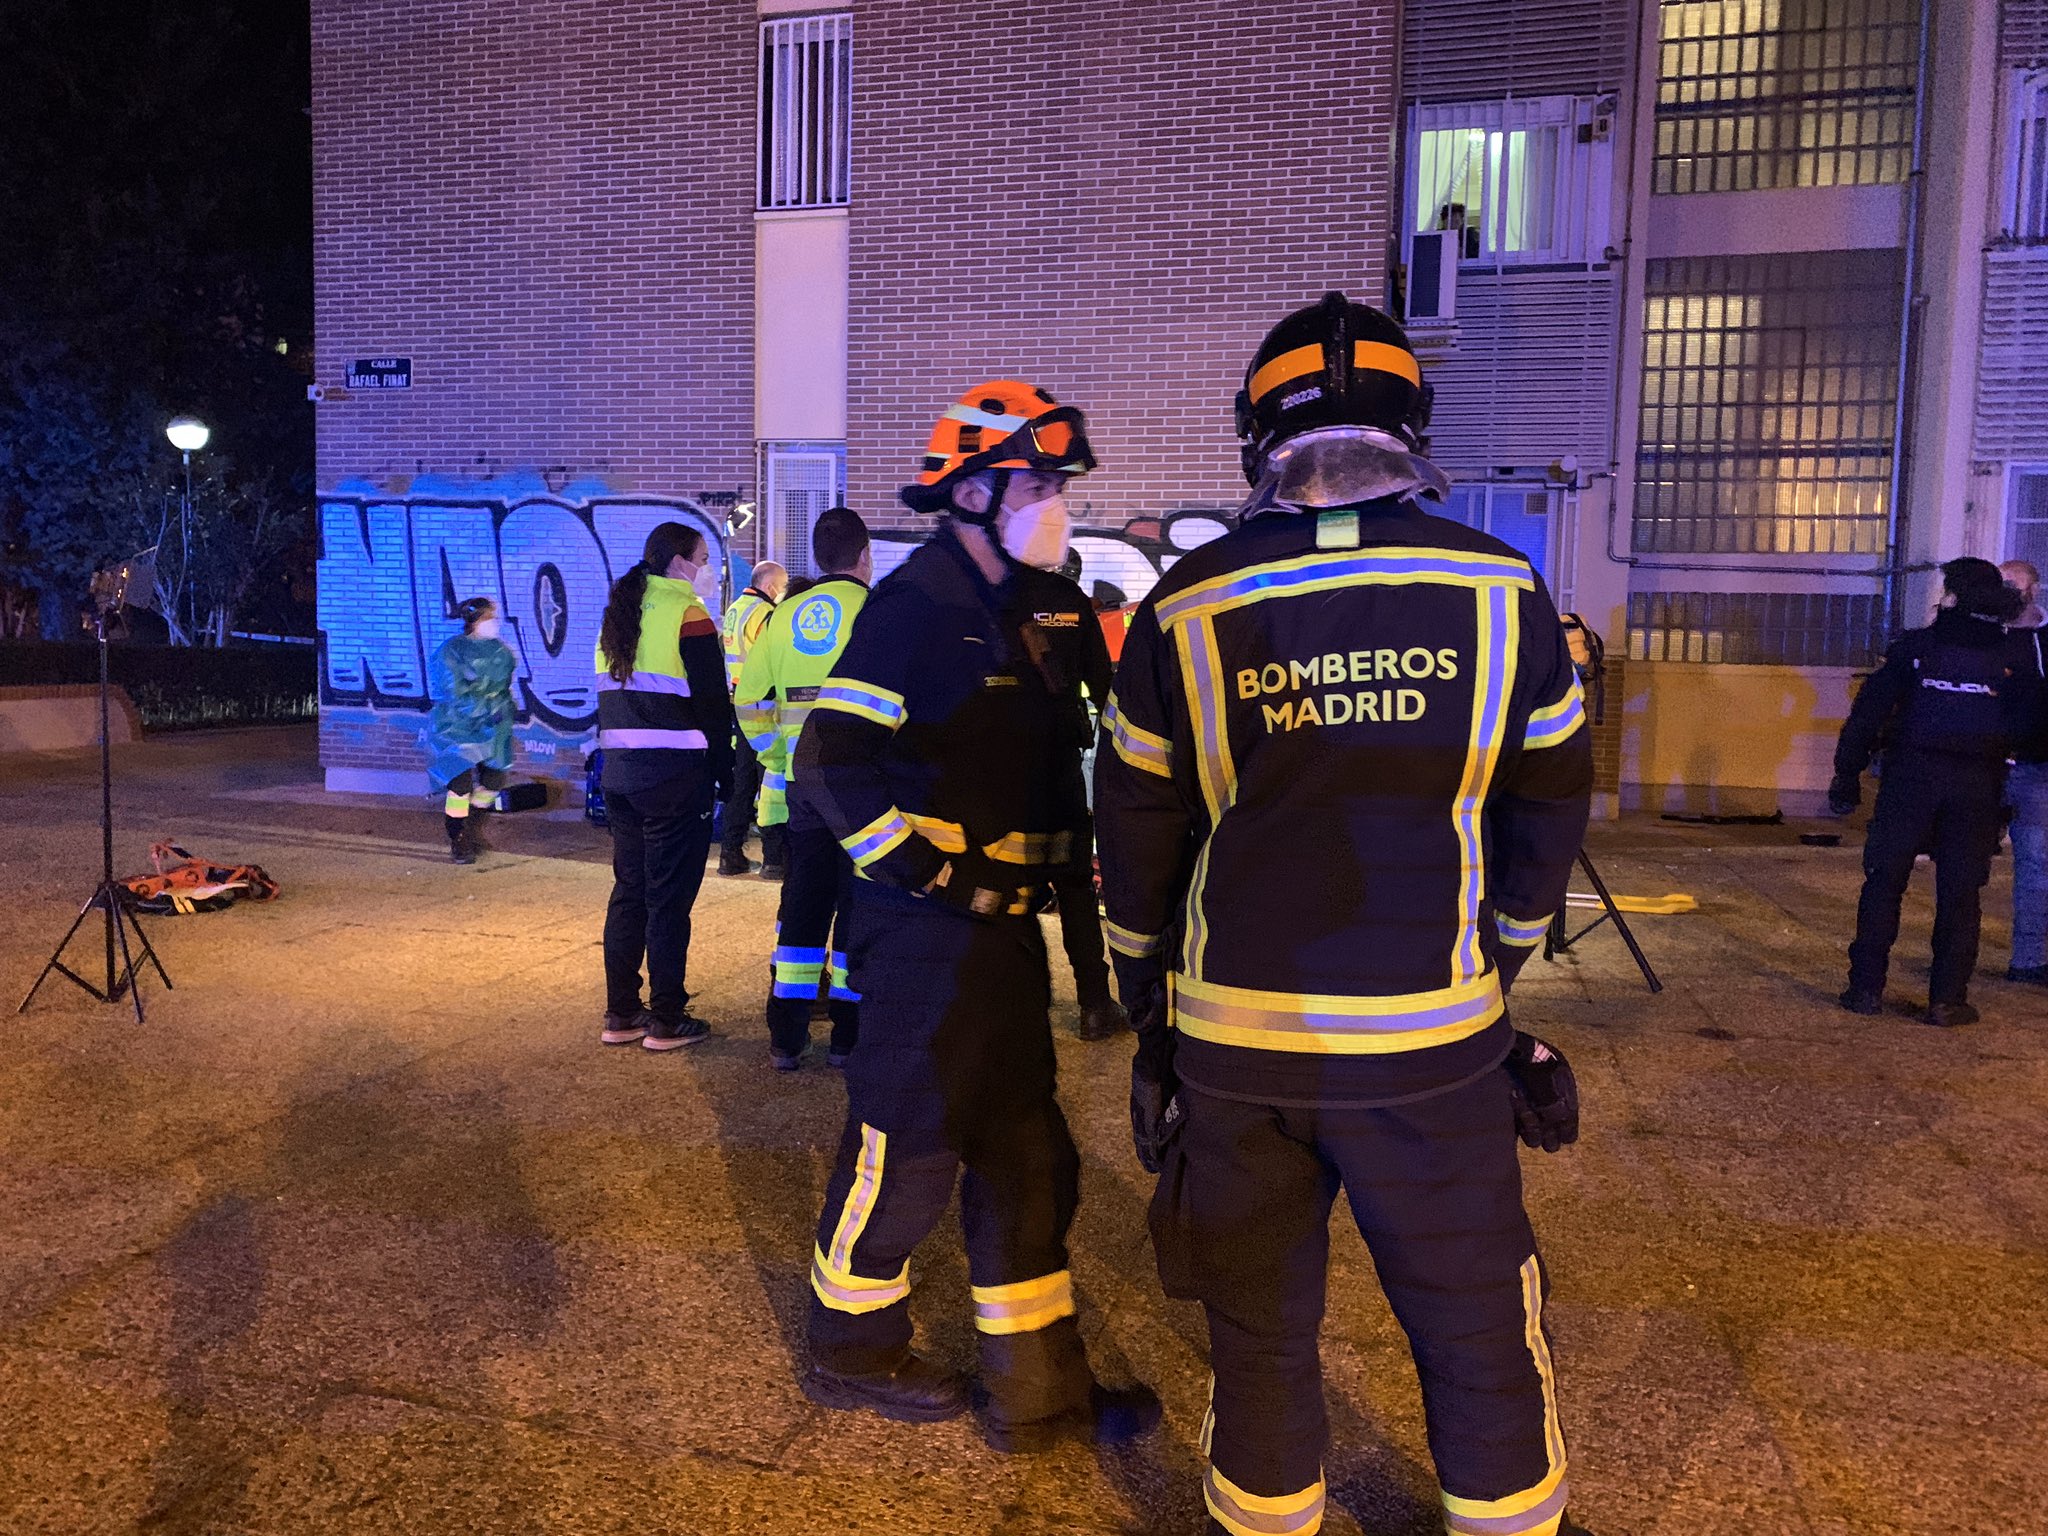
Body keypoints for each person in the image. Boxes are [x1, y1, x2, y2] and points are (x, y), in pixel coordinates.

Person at [1095, 294, 1597, 1536]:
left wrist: (1142, 999)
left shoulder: (1186, 601)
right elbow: (1548, 804)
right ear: (1411, 427)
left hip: (1236, 1042)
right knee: (1476, 1322)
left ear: (1253, 433)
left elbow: (1137, 830)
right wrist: (1503, 961)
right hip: (1429, 1046)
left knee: (1257, 1332)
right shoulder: (1500, 584)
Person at [794, 380, 1160, 1450]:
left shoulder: (1027, 605)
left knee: (1026, 1157)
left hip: (1004, 939)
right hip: (923, 941)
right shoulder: (916, 609)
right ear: (972, 491)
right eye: (1037, 482)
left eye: (1057, 484)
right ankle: (849, 1349)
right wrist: (915, 871)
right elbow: (831, 756)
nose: (1055, 502)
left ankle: (1036, 1392)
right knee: (905, 1148)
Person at [1830, 557, 2033, 1025]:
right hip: (1977, 787)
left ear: (1952, 595)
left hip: (1911, 779)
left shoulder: (1916, 647)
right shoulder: (2012, 657)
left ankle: (1865, 989)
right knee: (1961, 894)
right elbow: (2027, 724)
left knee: (1884, 883)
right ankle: (1946, 999)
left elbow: (1868, 713)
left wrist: (1846, 777)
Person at [734, 507, 874, 1070]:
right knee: (857, 906)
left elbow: (749, 700)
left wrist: (780, 756)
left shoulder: (784, 614)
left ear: (817, 558)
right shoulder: (875, 611)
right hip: (864, 792)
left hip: (802, 786)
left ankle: (786, 1036)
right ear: (865, 555)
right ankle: (846, 1036)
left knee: (802, 902)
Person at [593, 521, 734, 1051]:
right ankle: (668, 1018)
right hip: (676, 778)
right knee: (669, 900)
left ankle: (622, 1012)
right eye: (703, 558)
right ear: (679, 561)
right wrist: (726, 773)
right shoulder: (688, 613)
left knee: (630, 892)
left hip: (622, 774)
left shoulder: (620, 613)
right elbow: (714, 708)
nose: (707, 569)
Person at [1033, 550, 1126, 1040]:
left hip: (1005, 770)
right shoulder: (1073, 604)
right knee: (1074, 889)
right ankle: (1093, 1004)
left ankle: (1019, 1000)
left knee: (1007, 882)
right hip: (1060, 766)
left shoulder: (1000, 597)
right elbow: (1106, 688)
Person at [425, 596, 516, 865]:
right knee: (460, 786)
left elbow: (504, 684)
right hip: (457, 727)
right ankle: (459, 838)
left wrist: (502, 709)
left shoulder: (500, 651)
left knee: (494, 781)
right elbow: (452, 690)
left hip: (492, 726)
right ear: (474, 621)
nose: (494, 623)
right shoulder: (452, 650)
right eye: (489, 617)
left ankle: (473, 828)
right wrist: (482, 707)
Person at [719, 560, 789, 877]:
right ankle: (775, 858)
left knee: (743, 780)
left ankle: (730, 854)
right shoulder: (764, 615)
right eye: (783, 586)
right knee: (771, 778)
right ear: (772, 586)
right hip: (764, 704)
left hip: (740, 702)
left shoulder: (736, 609)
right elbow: (772, 659)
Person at [2002, 560, 2048, 986]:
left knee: (2035, 864)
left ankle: (2028, 959)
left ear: (2033, 590)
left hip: (2034, 767)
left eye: (2014, 585)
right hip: (1987, 763)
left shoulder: (2041, 640)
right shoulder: (1985, 636)